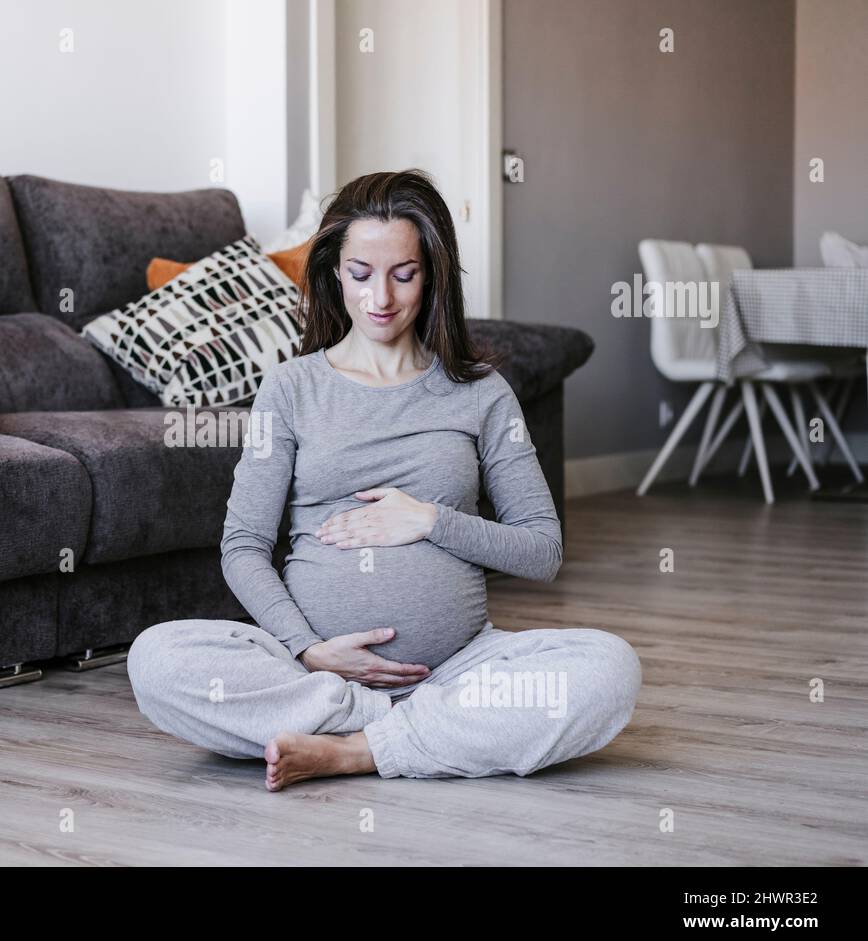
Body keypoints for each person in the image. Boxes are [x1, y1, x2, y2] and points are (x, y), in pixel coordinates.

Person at [127, 169, 641, 791]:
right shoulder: (291, 388)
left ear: (433, 275)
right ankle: (408, 731)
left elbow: (542, 550)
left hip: (459, 668)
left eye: (404, 274)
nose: (381, 299)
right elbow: (242, 547)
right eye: (361, 274)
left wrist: (429, 520)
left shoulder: (481, 394)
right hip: (315, 675)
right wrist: (307, 649)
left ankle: (355, 751)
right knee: (156, 658)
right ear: (333, 273)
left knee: (609, 669)